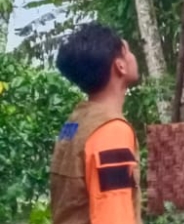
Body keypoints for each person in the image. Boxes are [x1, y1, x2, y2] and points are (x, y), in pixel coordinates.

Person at [50, 23, 142, 224]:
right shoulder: (112, 131)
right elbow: (114, 217)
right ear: (120, 66)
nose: (133, 56)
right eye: (128, 51)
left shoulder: (75, 123)